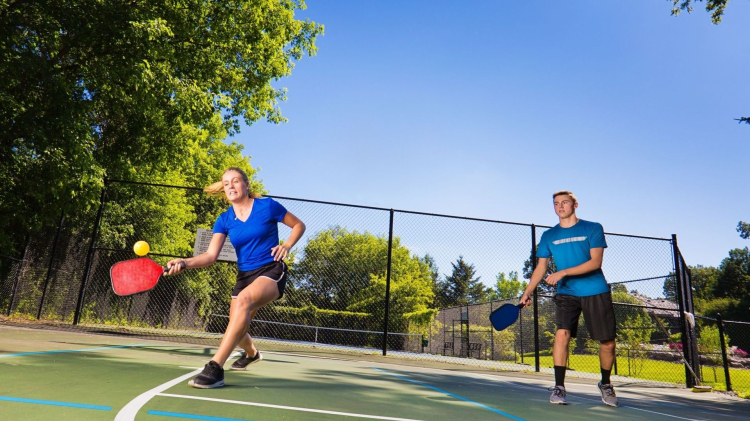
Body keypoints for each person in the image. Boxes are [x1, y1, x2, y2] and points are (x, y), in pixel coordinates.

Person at [166, 167, 306, 389]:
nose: (231, 186)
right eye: (226, 183)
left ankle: (215, 368)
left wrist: (287, 245)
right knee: (236, 327)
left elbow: (299, 225)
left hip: (271, 270)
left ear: (246, 185)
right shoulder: (224, 220)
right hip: (245, 275)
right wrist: (184, 262)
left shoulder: (267, 206)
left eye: (236, 181)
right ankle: (252, 353)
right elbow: (211, 256)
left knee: (243, 302)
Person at [519, 191, 618, 407]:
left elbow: (595, 263)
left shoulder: (593, 228)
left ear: (575, 204)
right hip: (566, 293)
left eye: (565, 202)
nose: (560, 206)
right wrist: (528, 291)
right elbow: (541, 267)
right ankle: (559, 387)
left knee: (608, 343)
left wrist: (563, 273)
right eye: (556, 203)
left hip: (595, 290)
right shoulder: (548, 236)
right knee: (562, 334)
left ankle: (606, 384)